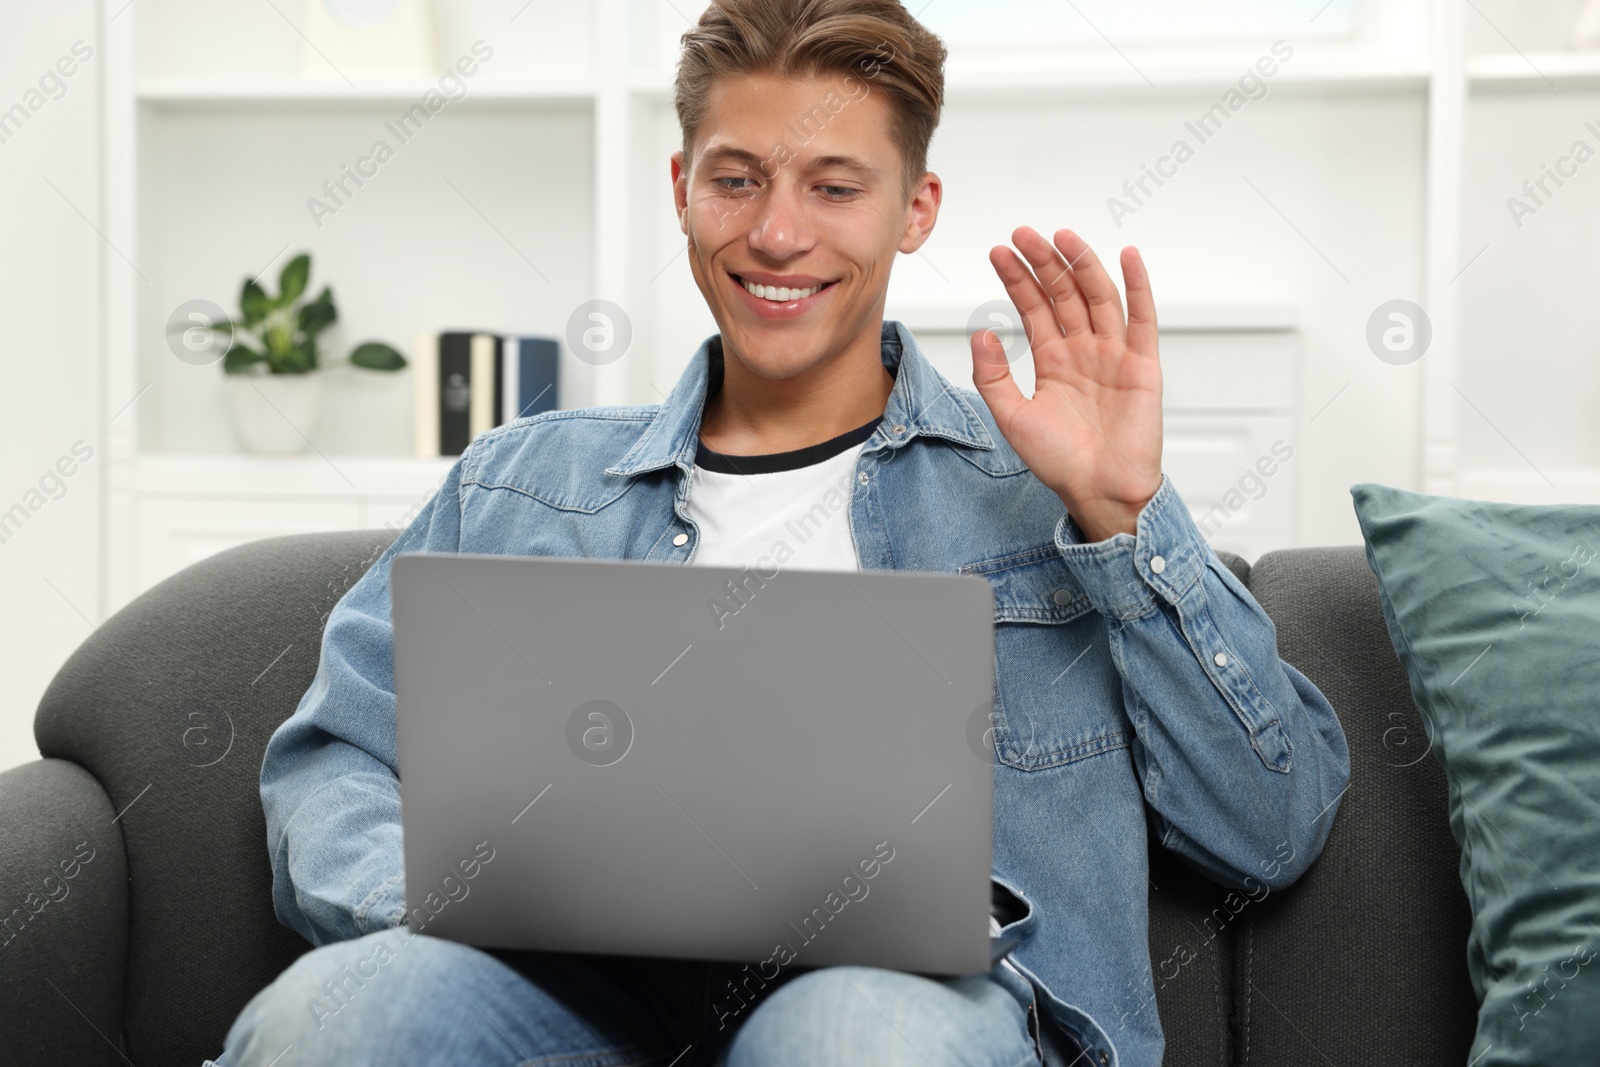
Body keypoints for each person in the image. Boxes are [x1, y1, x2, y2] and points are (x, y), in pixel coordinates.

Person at [207, 1, 1351, 1064]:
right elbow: (335, 758)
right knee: (335, 1014)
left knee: (848, 1029)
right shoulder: (521, 484)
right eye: (737, 178)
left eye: (834, 186)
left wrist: (1122, 517)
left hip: (912, 1002)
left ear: (916, 208)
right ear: (681, 187)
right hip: (564, 992)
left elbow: (1269, 829)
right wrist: (435, 898)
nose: (775, 232)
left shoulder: (1044, 499)